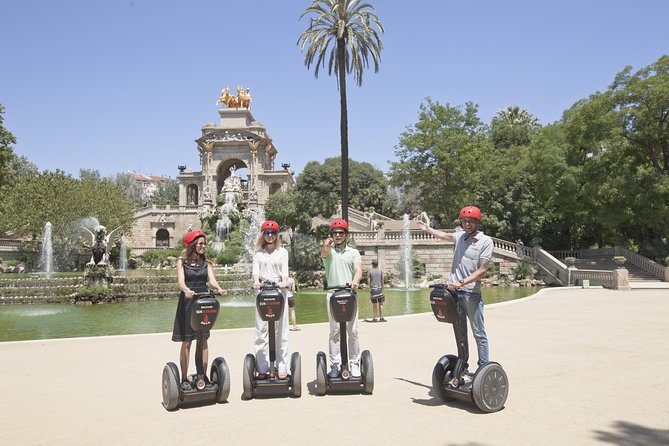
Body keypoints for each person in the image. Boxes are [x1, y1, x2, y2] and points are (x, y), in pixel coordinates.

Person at [416, 206, 493, 370]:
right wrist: (427, 228)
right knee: (460, 334)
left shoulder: (485, 241)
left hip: (471, 294)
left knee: (478, 334)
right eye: (464, 221)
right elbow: (443, 235)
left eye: (471, 221)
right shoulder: (460, 238)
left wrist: (462, 282)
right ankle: (462, 365)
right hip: (454, 294)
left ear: (477, 222)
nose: (467, 224)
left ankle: (483, 368)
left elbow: (482, 270)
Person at [172, 230, 227, 390]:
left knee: (203, 340)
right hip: (188, 302)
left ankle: (203, 375)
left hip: (203, 301)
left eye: (204, 243)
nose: (203, 246)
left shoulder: (207, 262)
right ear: (192, 245)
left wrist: (220, 289)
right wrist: (186, 290)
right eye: (200, 243)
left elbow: (212, 280)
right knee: (187, 341)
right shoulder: (182, 262)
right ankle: (183, 378)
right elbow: (181, 282)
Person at [321, 219, 363, 378]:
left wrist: (355, 281)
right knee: (335, 331)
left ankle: (354, 363)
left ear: (346, 234)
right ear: (331, 234)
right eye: (335, 232)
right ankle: (335, 364)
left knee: (353, 330)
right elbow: (324, 252)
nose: (338, 235)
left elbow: (358, 269)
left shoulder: (353, 252)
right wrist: (326, 245)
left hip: (350, 294)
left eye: (341, 232)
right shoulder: (329, 252)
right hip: (333, 295)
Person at [252, 220, 291, 379]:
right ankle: (262, 366)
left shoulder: (282, 252)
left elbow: (285, 271)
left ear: (277, 235)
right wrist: (256, 282)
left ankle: (282, 366)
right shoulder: (257, 253)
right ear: (263, 234)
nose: (270, 236)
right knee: (261, 331)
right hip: (262, 293)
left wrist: (284, 282)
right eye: (267, 233)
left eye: (273, 233)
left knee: (281, 331)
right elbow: (255, 272)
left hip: (279, 292)